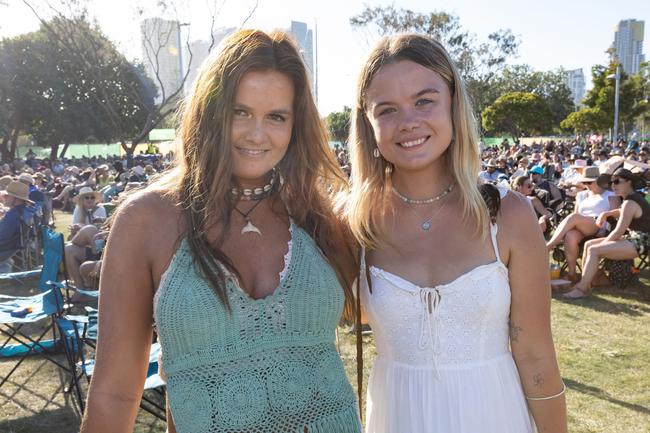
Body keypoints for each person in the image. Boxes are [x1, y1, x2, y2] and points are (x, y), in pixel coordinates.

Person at [80, 29, 361, 433]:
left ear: (295, 126)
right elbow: (115, 394)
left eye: (276, 117)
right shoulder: (148, 220)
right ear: (210, 110)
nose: (256, 133)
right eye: (239, 111)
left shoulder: (314, 213)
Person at [346, 34, 567, 433]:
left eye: (424, 100)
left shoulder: (508, 215)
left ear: (453, 105)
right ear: (368, 123)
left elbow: (536, 356)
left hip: (496, 416)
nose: (408, 121)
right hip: (398, 419)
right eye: (387, 109)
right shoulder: (355, 225)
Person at [564, 168, 650, 299]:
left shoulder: (630, 202)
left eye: (617, 181)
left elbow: (618, 231)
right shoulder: (632, 199)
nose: (613, 185)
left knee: (594, 249)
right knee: (589, 244)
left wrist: (603, 244)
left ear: (629, 182)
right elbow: (621, 211)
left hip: (642, 242)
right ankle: (588, 281)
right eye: (612, 183)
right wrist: (607, 213)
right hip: (636, 239)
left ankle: (582, 289)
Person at [546, 166, 619, 281]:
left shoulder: (610, 195)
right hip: (580, 226)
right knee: (570, 235)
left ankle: (549, 245)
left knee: (573, 217)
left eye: (589, 182)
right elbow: (576, 215)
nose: (587, 185)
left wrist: (605, 220)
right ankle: (572, 273)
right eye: (585, 182)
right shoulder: (581, 195)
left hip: (598, 225)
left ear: (598, 180)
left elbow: (616, 214)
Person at [0, 181, 34, 273]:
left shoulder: (14, 214)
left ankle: (4, 269)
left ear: (15, 199)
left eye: (7, 195)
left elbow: (3, 238)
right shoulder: (22, 210)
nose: (4, 197)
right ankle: (5, 266)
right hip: (13, 247)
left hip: (5, 248)